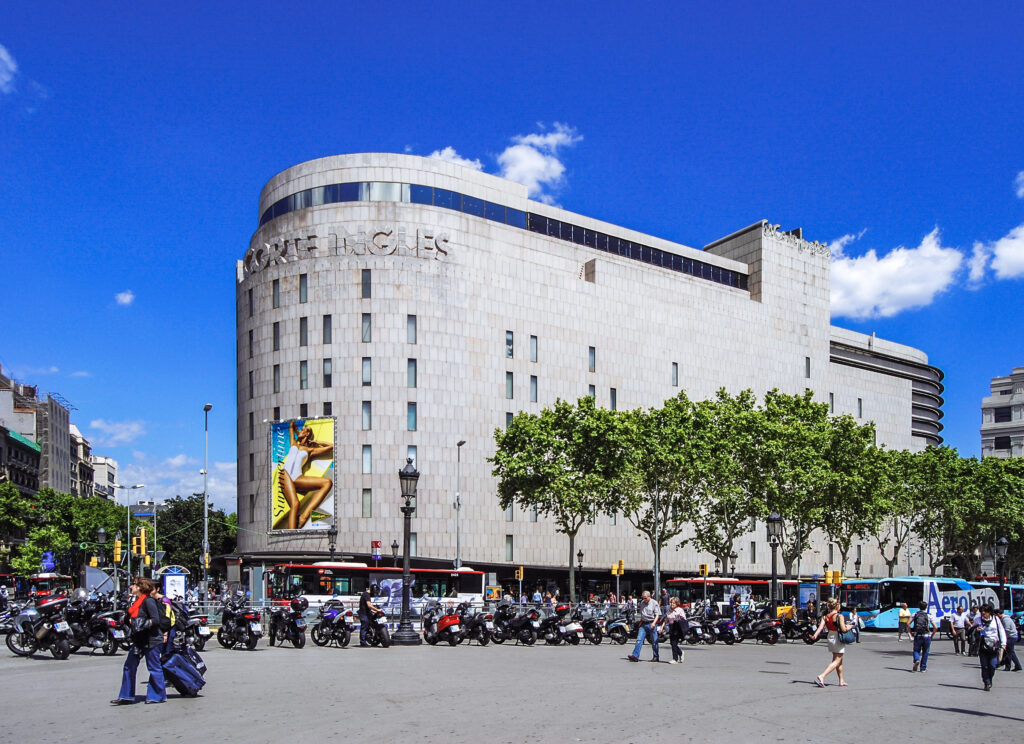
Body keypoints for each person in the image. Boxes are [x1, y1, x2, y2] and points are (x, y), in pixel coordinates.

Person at [111, 578, 167, 705]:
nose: (132, 587)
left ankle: (157, 696)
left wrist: (140, 624)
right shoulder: (136, 602)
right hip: (139, 639)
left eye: (135, 585)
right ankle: (126, 696)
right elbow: (132, 618)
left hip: (151, 639)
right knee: (129, 666)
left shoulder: (149, 601)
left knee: (153, 668)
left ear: (141, 587)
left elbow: (156, 620)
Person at [277, 419, 334, 530]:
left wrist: (316, 442)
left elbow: (332, 446)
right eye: (301, 429)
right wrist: (298, 432)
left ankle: (304, 516)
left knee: (327, 482)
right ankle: (291, 533)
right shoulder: (293, 442)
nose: (301, 431)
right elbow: (291, 424)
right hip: (285, 474)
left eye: (304, 430)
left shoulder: (310, 450)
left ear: (307, 434)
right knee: (295, 504)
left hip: (298, 478)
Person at [811, 597, 851, 687]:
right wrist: (850, 627)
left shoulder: (825, 617)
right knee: (837, 660)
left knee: (838, 660)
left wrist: (815, 636)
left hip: (830, 637)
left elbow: (820, 628)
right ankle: (822, 676)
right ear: (837, 606)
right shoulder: (839, 616)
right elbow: (844, 629)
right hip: (838, 637)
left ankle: (841, 680)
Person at [976, 604, 1007, 691]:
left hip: (994, 646)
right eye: (981, 611)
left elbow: (1001, 630)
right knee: (985, 666)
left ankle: (989, 679)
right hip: (983, 646)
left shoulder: (996, 619)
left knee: (992, 666)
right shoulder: (978, 620)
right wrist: (977, 630)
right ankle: (987, 682)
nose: (983, 613)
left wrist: (1004, 643)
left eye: (985, 612)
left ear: (989, 612)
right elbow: (972, 629)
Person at [627, 590, 661, 663]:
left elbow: (657, 615)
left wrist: (654, 623)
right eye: (643, 598)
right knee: (639, 640)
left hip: (651, 623)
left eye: (645, 598)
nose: (644, 599)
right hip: (643, 624)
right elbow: (642, 613)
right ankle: (635, 656)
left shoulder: (654, 603)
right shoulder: (642, 603)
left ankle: (656, 656)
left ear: (649, 596)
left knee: (654, 641)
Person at [909, 601, 937, 672]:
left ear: (919, 607)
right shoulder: (929, 615)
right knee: (925, 652)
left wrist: (911, 632)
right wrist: (932, 635)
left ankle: (916, 659)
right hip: (927, 635)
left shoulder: (915, 614)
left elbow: (908, 624)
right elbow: (935, 627)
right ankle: (923, 668)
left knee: (916, 650)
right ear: (926, 607)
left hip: (917, 635)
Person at [660, 596, 687, 664]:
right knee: (672, 643)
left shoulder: (680, 610)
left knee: (674, 643)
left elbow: (683, 619)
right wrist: (662, 627)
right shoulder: (669, 610)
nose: (672, 604)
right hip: (672, 627)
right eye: (671, 603)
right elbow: (666, 620)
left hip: (678, 627)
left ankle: (675, 659)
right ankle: (680, 652)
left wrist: (679, 619)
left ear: (677, 604)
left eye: (673, 603)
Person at [995, 607, 1022, 672]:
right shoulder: (1004, 619)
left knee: (1009, 653)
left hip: (1011, 637)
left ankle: (1008, 666)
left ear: (999, 614)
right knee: (1010, 652)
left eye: (996, 615)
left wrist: (1002, 638)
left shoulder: (1005, 620)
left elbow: (1006, 630)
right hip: (1010, 636)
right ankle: (1017, 665)